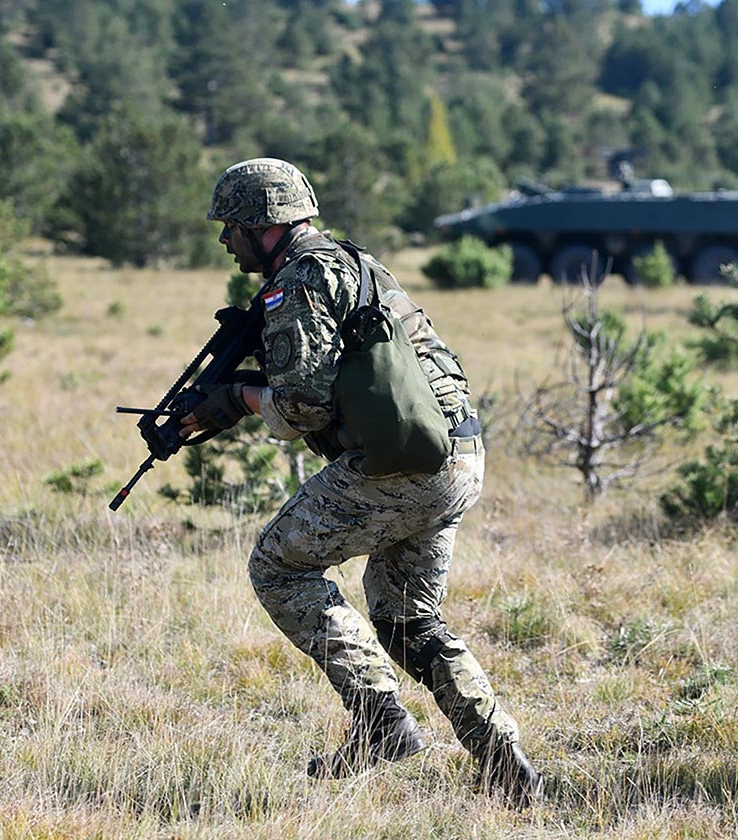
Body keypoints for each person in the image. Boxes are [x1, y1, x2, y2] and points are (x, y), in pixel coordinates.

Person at [179, 158, 543, 806]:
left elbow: (300, 410)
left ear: (262, 224)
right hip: (460, 455)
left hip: (405, 467)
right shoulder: (357, 264)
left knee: (278, 568)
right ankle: (504, 762)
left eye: (230, 226)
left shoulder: (298, 283)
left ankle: (380, 720)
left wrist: (236, 397)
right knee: (408, 619)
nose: (225, 242)